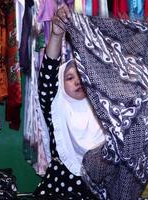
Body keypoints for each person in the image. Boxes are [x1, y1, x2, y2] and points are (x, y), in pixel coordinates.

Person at [34, 4, 105, 199]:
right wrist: (57, 34)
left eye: (81, 77)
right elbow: (48, 70)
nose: (77, 82)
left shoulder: (102, 110)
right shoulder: (55, 106)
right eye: (70, 77)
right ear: (60, 83)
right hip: (60, 189)